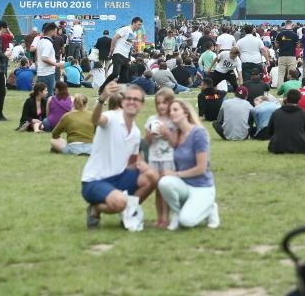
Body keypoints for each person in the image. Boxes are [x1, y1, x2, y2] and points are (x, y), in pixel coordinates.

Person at [82, 81, 158, 231]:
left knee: (152, 178)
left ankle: (128, 214)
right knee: (120, 202)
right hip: (95, 180)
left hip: (119, 177)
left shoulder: (135, 132)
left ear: (142, 105)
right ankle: (95, 209)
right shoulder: (111, 117)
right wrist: (102, 99)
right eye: (128, 98)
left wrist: (150, 172)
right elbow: (96, 120)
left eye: (136, 99)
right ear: (123, 102)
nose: (132, 102)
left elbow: (134, 160)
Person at [157, 99, 220, 230]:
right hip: (184, 185)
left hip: (201, 186)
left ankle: (210, 208)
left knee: (186, 222)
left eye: (175, 110)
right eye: (170, 111)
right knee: (164, 182)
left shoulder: (198, 133)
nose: (171, 113)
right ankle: (176, 212)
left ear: (185, 112)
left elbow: (201, 169)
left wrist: (175, 174)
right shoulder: (177, 134)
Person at [144, 89, 177, 228]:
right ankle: (160, 218)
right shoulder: (152, 119)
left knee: (166, 189)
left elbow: (176, 142)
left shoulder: (174, 121)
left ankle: (166, 217)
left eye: (165, 103)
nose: (161, 106)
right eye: (159, 103)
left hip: (169, 159)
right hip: (154, 159)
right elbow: (146, 141)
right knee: (158, 190)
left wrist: (166, 133)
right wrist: (150, 136)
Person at [99, 17, 143, 93]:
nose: (140, 26)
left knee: (125, 78)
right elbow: (114, 38)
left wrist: (129, 59)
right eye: (139, 24)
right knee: (115, 73)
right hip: (118, 53)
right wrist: (111, 50)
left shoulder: (134, 34)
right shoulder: (126, 29)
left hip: (126, 57)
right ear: (133, 23)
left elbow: (129, 47)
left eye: (141, 25)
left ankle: (118, 93)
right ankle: (102, 89)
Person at [267, 89, 305, 154]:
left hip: (277, 147)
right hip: (300, 147)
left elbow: (270, 130)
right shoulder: (304, 113)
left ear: (286, 99)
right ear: (299, 100)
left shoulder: (276, 112)